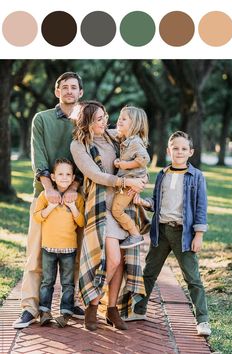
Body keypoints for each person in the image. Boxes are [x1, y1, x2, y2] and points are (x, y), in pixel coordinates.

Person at [13, 72, 85, 329]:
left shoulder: (83, 122)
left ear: (80, 93)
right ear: (57, 92)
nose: (68, 91)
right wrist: (48, 187)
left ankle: (69, 303)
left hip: (75, 196)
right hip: (44, 195)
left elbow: (85, 157)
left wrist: (73, 187)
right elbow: (38, 154)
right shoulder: (41, 119)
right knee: (35, 255)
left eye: (73, 87)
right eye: (64, 87)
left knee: (74, 254)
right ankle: (30, 308)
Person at [70, 101, 146, 331]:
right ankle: (93, 304)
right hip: (102, 208)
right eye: (99, 119)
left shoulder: (114, 137)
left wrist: (141, 178)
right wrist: (125, 181)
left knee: (122, 261)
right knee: (111, 259)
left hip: (124, 206)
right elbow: (94, 174)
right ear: (87, 122)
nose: (105, 122)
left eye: (105, 117)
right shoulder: (79, 145)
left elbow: (135, 140)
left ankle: (112, 309)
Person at [131, 131, 211, 337]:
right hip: (161, 231)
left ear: (191, 152)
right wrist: (145, 202)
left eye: (184, 149)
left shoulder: (196, 176)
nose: (179, 152)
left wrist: (199, 235)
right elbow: (157, 201)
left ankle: (202, 320)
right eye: (175, 148)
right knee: (149, 272)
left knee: (192, 278)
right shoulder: (163, 174)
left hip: (183, 233)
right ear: (168, 150)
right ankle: (138, 310)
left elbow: (201, 207)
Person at [34, 158, 84, 327]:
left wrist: (73, 207)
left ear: (73, 178)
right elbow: (37, 216)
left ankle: (66, 313)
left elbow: (81, 222)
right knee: (47, 281)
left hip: (69, 249)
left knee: (67, 283)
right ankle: (45, 311)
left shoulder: (76, 198)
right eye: (60, 174)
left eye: (68, 174)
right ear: (53, 177)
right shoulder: (45, 196)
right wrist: (50, 207)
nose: (64, 177)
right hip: (48, 248)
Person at [112, 106, 150, 249]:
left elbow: (145, 158)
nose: (119, 121)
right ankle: (145, 221)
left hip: (130, 182)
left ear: (134, 124)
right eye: (119, 118)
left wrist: (125, 165)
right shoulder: (126, 139)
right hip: (131, 180)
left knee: (116, 210)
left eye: (124, 119)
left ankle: (135, 234)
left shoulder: (134, 142)